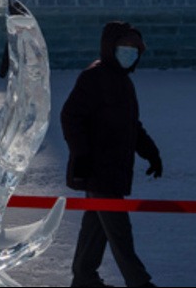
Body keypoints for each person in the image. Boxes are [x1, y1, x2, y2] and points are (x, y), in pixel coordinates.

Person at [62, 21, 163, 288]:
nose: (131, 52)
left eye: (135, 48)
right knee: (119, 232)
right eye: (125, 46)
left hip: (113, 169)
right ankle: (139, 283)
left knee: (95, 228)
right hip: (98, 170)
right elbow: (70, 116)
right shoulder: (94, 77)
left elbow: (132, 125)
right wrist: (81, 156)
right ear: (110, 48)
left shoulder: (123, 82)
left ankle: (84, 278)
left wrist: (151, 152)